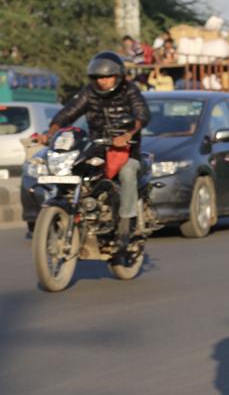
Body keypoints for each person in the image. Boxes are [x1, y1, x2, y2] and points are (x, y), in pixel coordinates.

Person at [39, 51, 151, 250]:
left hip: (126, 150)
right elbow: (69, 111)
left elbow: (142, 114)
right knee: (76, 170)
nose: (103, 81)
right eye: (99, 77)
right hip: (96, 148)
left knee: (127, 172)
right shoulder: (89, 92)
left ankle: (125, 224)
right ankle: (82, 213)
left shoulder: (129, 90)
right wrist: (51, 132)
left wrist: (127, 135)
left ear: (118, 76)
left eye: (108, 76)